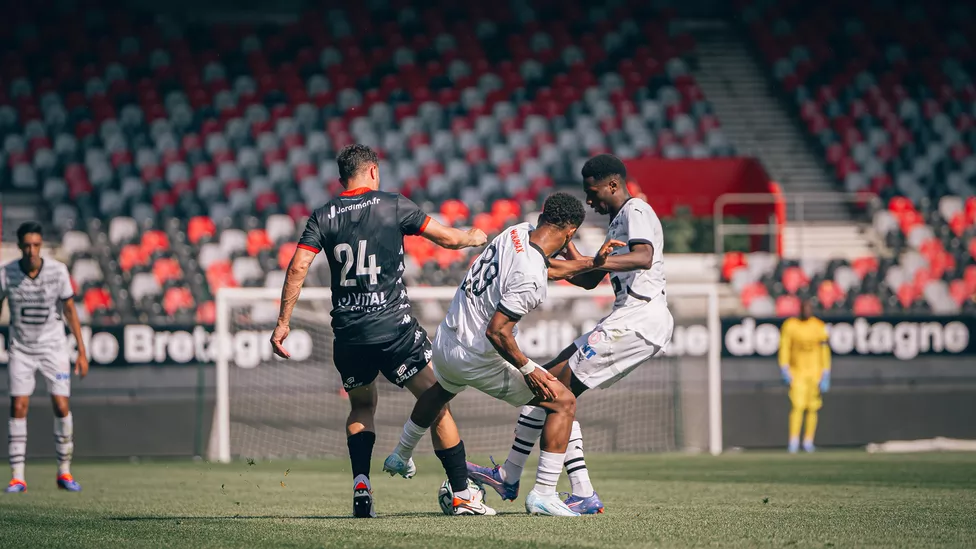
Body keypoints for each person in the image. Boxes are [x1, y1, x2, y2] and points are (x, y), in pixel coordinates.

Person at [269, 144, 487, 518]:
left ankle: (362, 488)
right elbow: (447, 239)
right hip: (394, 330)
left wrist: (283, 322)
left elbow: (297, 266)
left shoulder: (323, 215)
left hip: (350, 335)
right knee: (437, 403)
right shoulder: (393, 204)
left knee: (362, 406)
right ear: (372, 171)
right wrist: (473, 236)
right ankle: (463, 494)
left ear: (341, 180)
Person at [383, 192, 622, 516]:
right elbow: (497, 331)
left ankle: (401, 452)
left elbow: (546, 266)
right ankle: (543, 493)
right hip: (476, 355)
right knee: (562, 400)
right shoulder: (530, 278)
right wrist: (528, 369)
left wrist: (591, 262)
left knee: (441, 391)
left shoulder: (518, 231)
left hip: (448, 336)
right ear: (569, 233)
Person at [467, 154, 674, 514]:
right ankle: (552, 484)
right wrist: (561, 252)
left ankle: (528, 482)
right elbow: (590, 278)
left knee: (553, 391)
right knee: (548, 383)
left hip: (641, 318)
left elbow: (643, 257)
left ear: (613, 184)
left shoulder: (636, 210)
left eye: (592, 192)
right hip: (628, 319)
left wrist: (593, 260)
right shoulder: (615, 224)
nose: (589, 200)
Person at [2, 221, 88, 493]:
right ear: (19, 247)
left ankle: (64, 471)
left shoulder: (58, 271)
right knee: (19, 406)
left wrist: (81, 351)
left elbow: (70, 311)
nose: (31, 250)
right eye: (26, 245)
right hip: (21, 349)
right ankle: (18, 476)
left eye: (36, 245)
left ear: (41, 246)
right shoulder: (6, 274)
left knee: (61, 406)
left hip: (54, 348)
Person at [778, 298, 831, 453]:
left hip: (815, 373)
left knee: (813, 408)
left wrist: (826, 372)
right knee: (798, 406)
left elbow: (824, 351)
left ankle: (808, 441)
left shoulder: (819, 326)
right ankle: (793, 441)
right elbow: (785, 347)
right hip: (797, 373)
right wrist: (784, 368)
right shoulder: (791, 326)